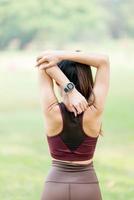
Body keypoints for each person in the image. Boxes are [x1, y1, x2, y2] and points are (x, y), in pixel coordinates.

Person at [35, 50, 110, 200]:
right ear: (88, 78)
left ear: (56, 81)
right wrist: (63, 56)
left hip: (54, 186)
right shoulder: (94, 110)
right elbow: (104, 61)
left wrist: (68, 88)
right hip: (87, 186)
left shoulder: (52, 111)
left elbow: (42, 61)